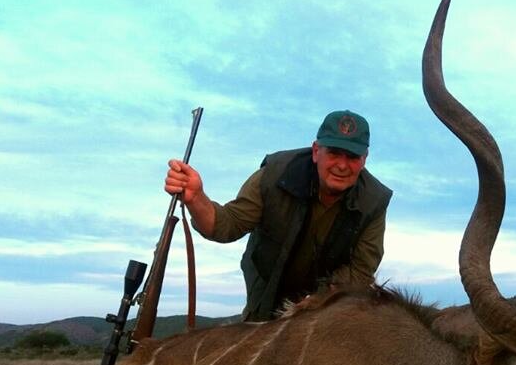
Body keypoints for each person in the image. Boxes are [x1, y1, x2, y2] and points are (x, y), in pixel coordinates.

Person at [164, 109, 392, 321]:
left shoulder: (374, 200)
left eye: (352, 156)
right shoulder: (274, 174)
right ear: (316, 151)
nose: (342, 165)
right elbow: (226, 226)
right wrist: (196, 198)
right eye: (334, 153)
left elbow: (360, 270)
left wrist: (317, 302)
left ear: (364, 159)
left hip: (326, 305)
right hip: (266, 287)